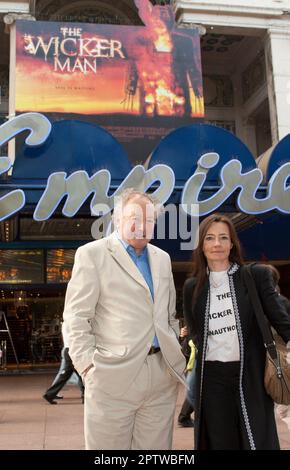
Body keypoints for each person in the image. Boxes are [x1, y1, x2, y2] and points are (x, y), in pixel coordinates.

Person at [63, 188, 186, 450]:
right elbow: (76, 316)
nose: (142, 225)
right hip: (111, 376)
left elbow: (168, 315)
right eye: (134, 217)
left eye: (149, 220)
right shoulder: (92, 254)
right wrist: (87, 367)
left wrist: (173, 352)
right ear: (117, 219)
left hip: (160, 375)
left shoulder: (162, 258)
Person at [183, 213, 290, 450]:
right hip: (211, 377)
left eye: (223, 238)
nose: (217, 244)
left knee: (255, 439)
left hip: (250, 373)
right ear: (201, 245)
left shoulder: (254, 276)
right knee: (220, 441)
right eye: (210, 238)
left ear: (232, 243)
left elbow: (282, 322)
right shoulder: (193, 287)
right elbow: (194, 332)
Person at [43, 322, 84, 405]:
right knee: (81, 373)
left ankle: (50, 394)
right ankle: (85, 396)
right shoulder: (71, 323)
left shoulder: (66, 323)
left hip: (68, 349)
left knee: (72, 375)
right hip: (72, 350)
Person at [177, 325, 195, 427]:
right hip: (193, 365)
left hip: (192, 365)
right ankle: (183, 417)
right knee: (194, 391)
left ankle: (184, 417)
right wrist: (183, 335)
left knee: (195, 391)